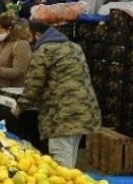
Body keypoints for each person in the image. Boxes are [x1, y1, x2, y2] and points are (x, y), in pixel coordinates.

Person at [12, 20, 101, 168]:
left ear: (38, 35)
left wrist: (19, 107)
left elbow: (34, 85)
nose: (29, 43)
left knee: (60, 160)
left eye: (29, 38)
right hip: (85, 110)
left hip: (62, 114)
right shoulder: (74, 47)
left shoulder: (44, 51)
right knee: (70, 152)